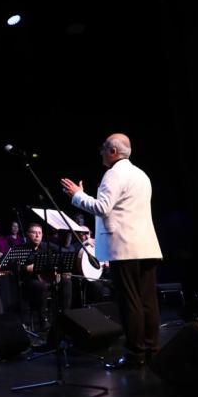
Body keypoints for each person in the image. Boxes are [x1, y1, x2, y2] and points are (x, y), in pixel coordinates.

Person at [62, 133, 162, 368]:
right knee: (148, 301)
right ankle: (152, 349)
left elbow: (102, 207)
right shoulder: (141, 174)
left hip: (125, 248)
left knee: (130, 302)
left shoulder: (113, 174)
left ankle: (135, 354)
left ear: (113, 152)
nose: (101, 153)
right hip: (146, 246)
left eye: (103, 149)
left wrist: (77, 195)